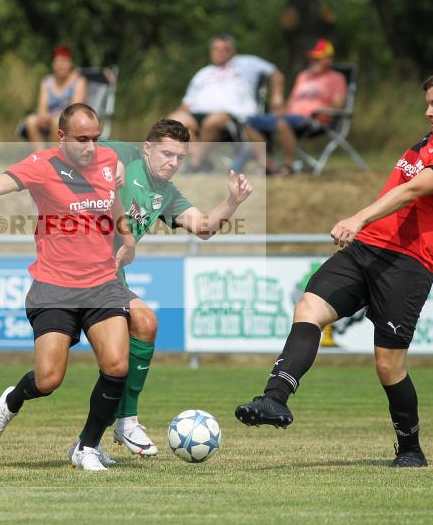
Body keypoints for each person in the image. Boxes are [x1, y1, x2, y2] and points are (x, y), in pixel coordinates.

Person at [234, 69, 433, 468]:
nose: (428, 112)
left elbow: (412, 191)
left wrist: (359, 217)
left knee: (388, 366)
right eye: (428, 104)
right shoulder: (428, 143)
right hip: (365, 250)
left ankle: (410, 448)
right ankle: (274, 399)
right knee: (309, 309)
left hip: (405, 265)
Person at [0, 103, 138, 471]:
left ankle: (86, 446)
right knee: (48, 379)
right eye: (82, 139)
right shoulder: (41, 165)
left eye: (96, 138)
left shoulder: (107, 159)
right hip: (54, 288)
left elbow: (112, 200)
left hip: (102, 283)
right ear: (61, 137)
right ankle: (13, 399)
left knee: (116, 365)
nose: (91, 146)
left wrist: (126, 237)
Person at [98, 119, 252, 456]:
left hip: (109, 277)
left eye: (180, 157)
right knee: (50, 376)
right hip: (75, 269)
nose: (173, 163)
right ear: (147, 148)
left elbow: (204, 227)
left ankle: (124, 422)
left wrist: (232, 201)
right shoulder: (126, 155)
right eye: (167, 154)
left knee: (144, 325)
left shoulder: (166, 194)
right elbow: (83, 150)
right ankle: (17, 400)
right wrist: (110, 164)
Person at [168, 34, 284, 172]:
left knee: (212, 122)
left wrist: (277, 97)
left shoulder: (248, 62)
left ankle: (196, 163)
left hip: (234, 116)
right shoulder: (203, 73)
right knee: (174, 121)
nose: (220, 52)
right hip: (199, 113)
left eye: (225, 49)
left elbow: (276, 74)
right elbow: (187, 103)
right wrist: (177, 115)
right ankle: (201, 160)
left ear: (234, 50)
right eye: (216, 49)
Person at [247, 39, 347, 175]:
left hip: (313, 120)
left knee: (281, 123)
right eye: (312, 58)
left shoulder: (336, 78)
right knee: (249, 123)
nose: (313, 62)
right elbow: (291, 102)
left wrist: (316, 112)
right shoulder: (303, 76)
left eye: (318, 59)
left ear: (329, 59)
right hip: (290, 116)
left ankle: (289, 165)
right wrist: (280, 109)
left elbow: (338, 105)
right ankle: (266, 165)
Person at [23, 45, 88, 151]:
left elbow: (74, 109)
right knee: (30, 120)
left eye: (64, 61)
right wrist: (43, 116)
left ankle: (56, 155)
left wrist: (54, 117)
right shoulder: (47, 81)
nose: (61, 65)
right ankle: (41, 155)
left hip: (70, 118)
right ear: (53, 64)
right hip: (50, 117)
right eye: (58, 61)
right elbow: (42, 106)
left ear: (70, 63)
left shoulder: (79, 81)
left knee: (57, 121)